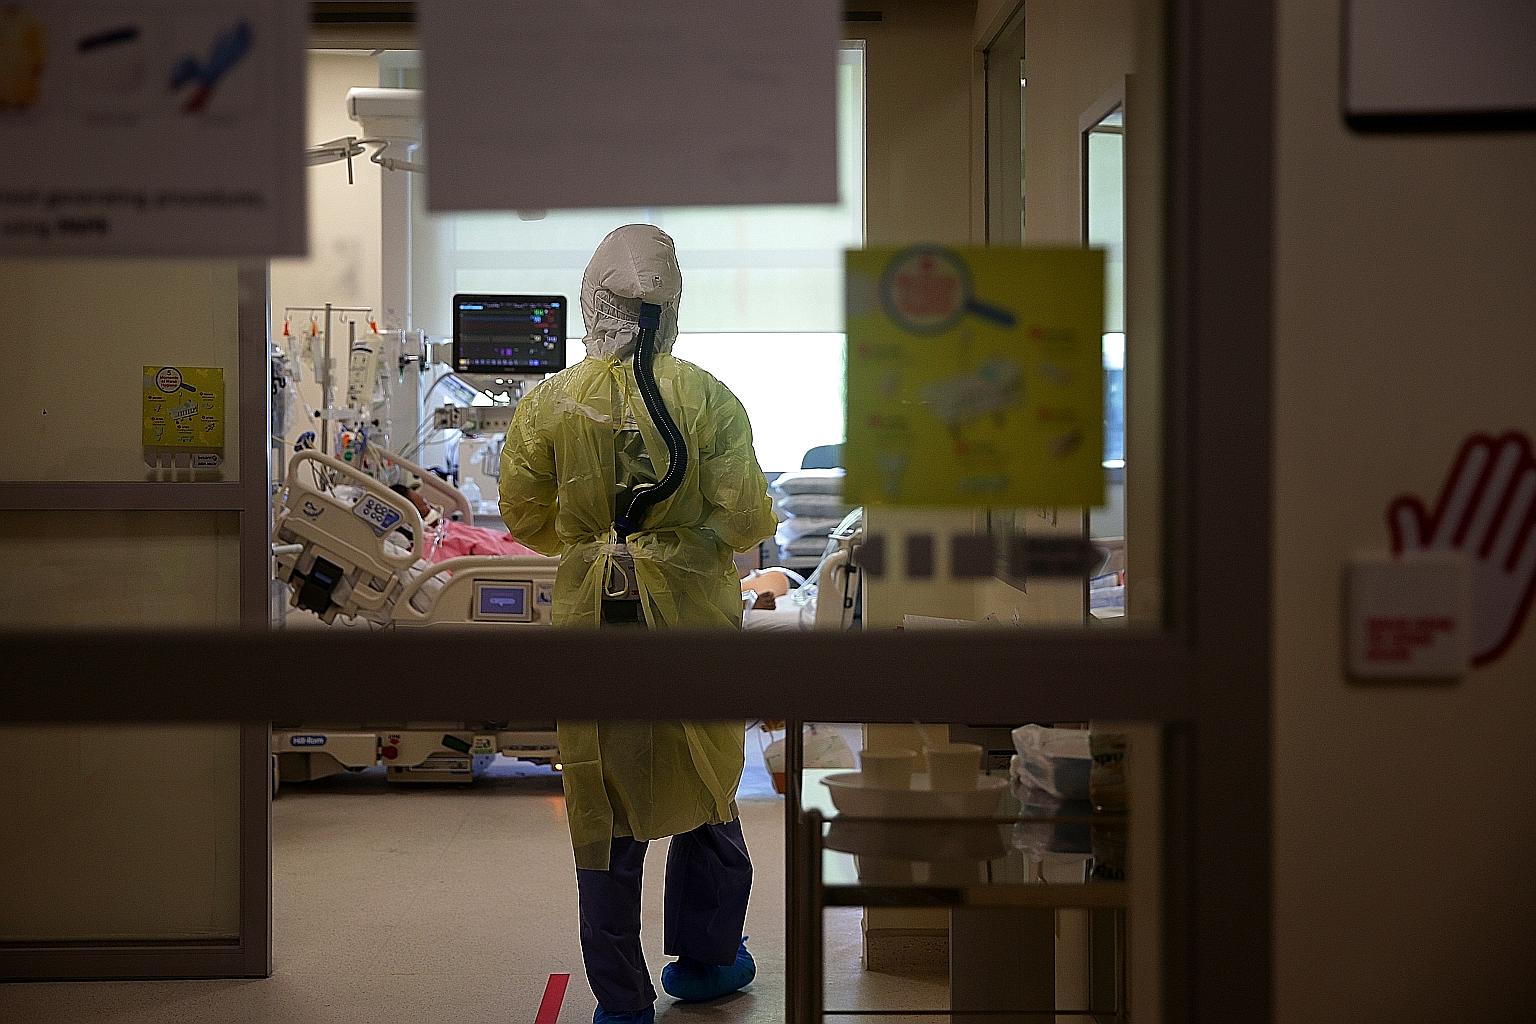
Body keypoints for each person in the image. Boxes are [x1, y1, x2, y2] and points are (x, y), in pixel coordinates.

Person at [498, 224, 777, 1024]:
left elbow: (524, 516)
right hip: (693, 620)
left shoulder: (549, 401)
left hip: (596, 616)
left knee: (604, 799)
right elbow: (744, 515)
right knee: (709, 777)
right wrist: (673, 553)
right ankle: (709, 960)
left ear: (593, 300)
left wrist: (595, 547)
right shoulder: (707, 395)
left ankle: (622, 1000)